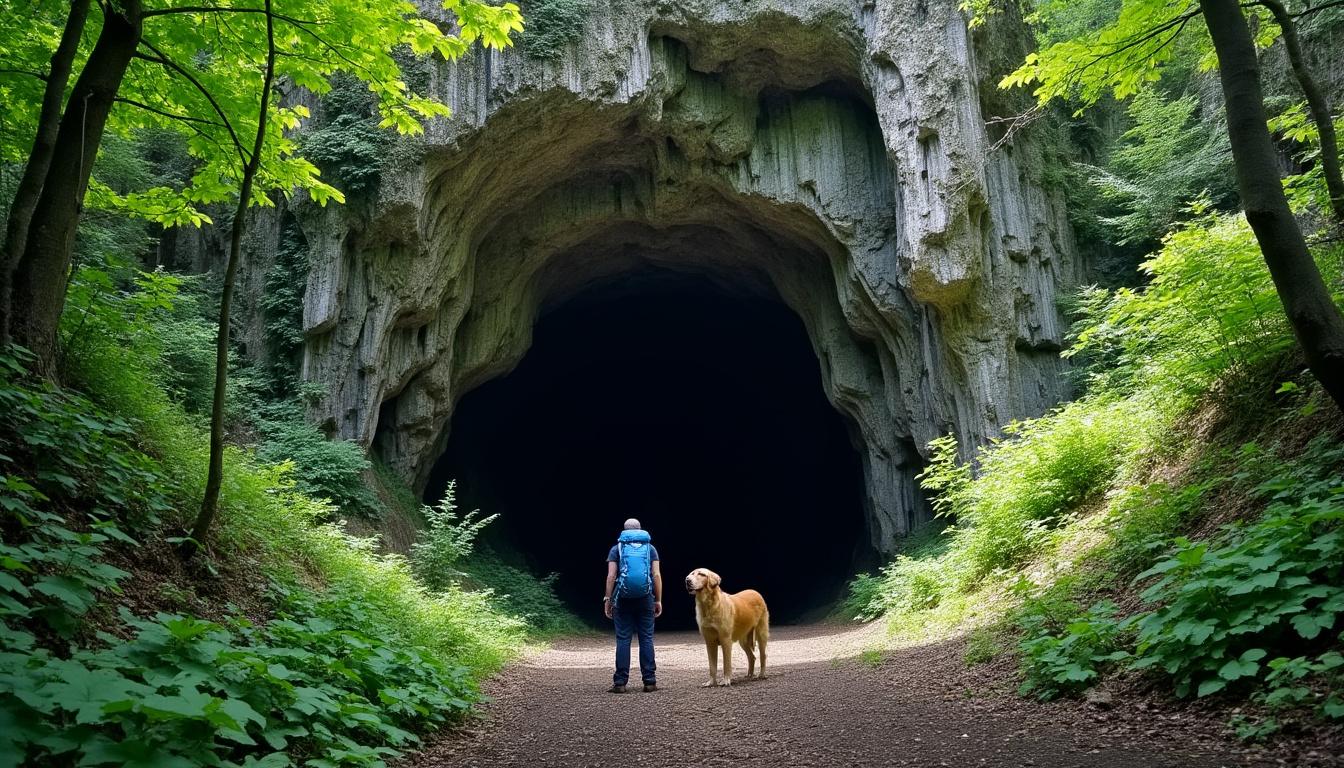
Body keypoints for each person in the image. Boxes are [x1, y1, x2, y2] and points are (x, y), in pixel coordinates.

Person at [604, 518, 662, 693]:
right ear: (640, 530)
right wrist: (657, 600)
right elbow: (656, 575)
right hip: (645, 598)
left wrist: (608, 599)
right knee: (646, 638)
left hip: (622, 599)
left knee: (623, 639)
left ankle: (620, 682)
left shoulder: (617, 549)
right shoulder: (650, 549)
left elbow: (611, 577)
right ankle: (650, 681)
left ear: (625, 531)